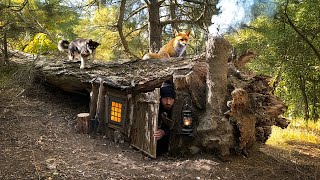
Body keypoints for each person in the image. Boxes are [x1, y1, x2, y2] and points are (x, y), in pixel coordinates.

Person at [154, 80, 176, 156]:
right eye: (165, 98)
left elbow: (176, 128)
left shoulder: (176, 110)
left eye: (171, 99)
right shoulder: (155, 107)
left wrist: (164, 132)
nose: (168, 102)